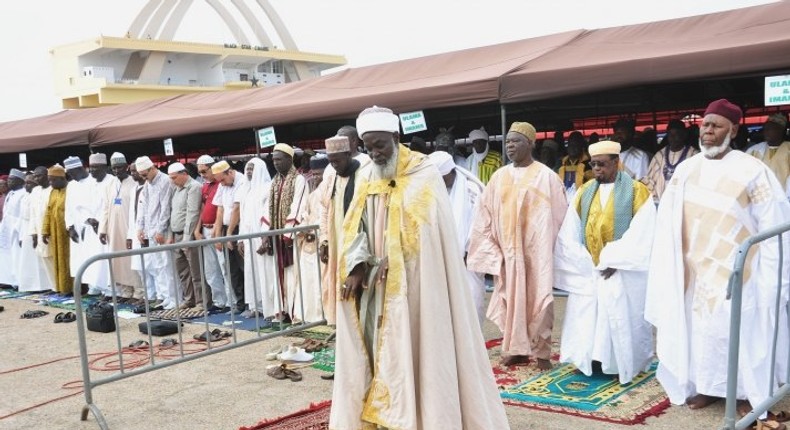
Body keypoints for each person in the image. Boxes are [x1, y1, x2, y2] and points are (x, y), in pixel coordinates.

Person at [330, 106, 509, 430]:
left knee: (421, 349)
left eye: (380, 144)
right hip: (376, 286)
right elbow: (355, 226)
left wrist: (396, 261)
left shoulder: (423, 173)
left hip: (418, 285)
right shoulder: (367, 175)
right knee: (376, 348)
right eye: (368, 146)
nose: (374, 153)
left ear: (396, 138)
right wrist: (357, 265)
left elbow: (427, 236)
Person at [645, 99, 790, 428]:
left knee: (740, 331)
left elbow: (774, 225)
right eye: (705, 125)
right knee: (703, 332)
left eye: (716, 126)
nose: (707, 131)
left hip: (743, 271)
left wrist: (774, 278)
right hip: (696, 271)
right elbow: (668, 219)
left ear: (734, 129)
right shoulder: (686, 170)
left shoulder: (753, 170)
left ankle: (744, 394)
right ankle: (708, 387)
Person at [554, 140, 656, 384]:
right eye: (593, 164)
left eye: (602, 164)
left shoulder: (636, 191)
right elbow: (570, 229)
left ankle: (621, 363)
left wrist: (615, 260)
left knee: (620, 317)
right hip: (589, 268)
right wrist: (583, 259)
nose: (597, 169)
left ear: (616, 163)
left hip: (621, 271)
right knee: (588, 316)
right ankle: (589, 360)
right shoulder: (585, 191)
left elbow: (644, 231)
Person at [467, 121, 568, 369]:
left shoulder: (547, 177)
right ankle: (516, 349)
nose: (510, 146)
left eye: (516, 141)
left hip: (537, 253)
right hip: (508, 253)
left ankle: (542, 354)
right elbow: (484, 215)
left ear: (530, 143)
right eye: (508, 142)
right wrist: (492, 249)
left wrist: (549, 247)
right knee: (510, 301)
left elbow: (560, 217)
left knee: (540, 299)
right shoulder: (499, 176)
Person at [428, 150, 487, 326]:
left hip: (469, 261)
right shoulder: (433, 190)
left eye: (442, 177)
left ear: (450, 172)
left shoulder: (471, 191)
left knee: (472, 304)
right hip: (441, 259)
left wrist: (466, 253)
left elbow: (480, 226)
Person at [319, 135, 367, 326]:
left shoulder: (364, 176)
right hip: (336, 242)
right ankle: (343, 325)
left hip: (356, 244)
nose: (334, 166)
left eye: (337, 161)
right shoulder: (331, 179)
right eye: (331, 162)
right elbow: (324, 210)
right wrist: (324, 240)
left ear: (348, 154)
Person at [258, 144, 308, 322]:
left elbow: (298, 206)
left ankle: (295, 311)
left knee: (293, 275)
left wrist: (288, 234)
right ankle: (281, 310)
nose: (276, 163)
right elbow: (268, 209)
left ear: (289, 159)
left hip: (290, 238)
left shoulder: (299, 180)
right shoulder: (275, 181)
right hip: (276, 237)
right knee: (276, 275)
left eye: (279, 159)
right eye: (273, 160)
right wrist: (266, 233)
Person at [135, 156, 177, 310]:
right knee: (159, 266)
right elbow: (143, 208)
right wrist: (141, 228)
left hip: (163, 231)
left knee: (168, 266)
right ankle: (166, 297)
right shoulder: (147, 184)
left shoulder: (165, 181)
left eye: (145, 174)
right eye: (142, 176)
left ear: (153, 168)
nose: (143, 178)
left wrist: (160, 229)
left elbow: (166, 207)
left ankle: (175, 298)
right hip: (151, 232)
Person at [98, 153, 141, 301]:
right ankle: (125, 292)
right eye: (114, 168)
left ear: (127, 166)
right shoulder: (109, 184)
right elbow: (105, 209)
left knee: (131, 260)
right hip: (113, 229)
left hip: (129, 229)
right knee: (117, 260)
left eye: (120, 167)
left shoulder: (134, 183)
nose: (117, 171)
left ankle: (138, 292)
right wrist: (102, 229)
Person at [293, 155, 327, 323]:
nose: (315, 178)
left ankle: (323, 315)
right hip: (308, 244)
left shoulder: (331, 193)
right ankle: (309, 316)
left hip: (324, 245)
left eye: (319, 174)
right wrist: (303, 230)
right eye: (313, 174)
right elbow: (306, 215)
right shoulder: (312, 195)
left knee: (322, 281)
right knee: (308, 281)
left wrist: (316, 233)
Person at [237, 157, 272, 318]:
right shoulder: (246, 189)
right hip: (249, 237)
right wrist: (241, 239)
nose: (249, 171)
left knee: (265, 272)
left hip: (262, 238)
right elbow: (243, 217)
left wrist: (265, 237)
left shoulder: (267, 188)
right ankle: (254, 306)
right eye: (247, 169)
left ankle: (268, 307)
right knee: (251, 273)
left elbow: (268, 215)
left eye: (252, 168)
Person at [193, 155, 229, 312]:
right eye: (199, 172)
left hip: (218, 230)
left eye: (204, 171)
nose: (202, 175)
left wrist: (217, 231)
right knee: (211, 269)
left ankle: (231, 302)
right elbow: (202, 208)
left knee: (224, 267)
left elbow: (222, 209)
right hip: (206, 229)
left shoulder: (221, 184)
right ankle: (219, 301)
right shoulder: (205, 185)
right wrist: (197, 229)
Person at [168, 162, 206, 310]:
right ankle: (189, 299)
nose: (172, 181)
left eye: (174, 177)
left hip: (188, 235)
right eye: (171, 178)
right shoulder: (176, 189)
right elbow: (174, 213)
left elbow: (192, 213)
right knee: (183, 270)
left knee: (195, 270)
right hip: (177, 234)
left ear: (184, 174)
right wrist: (171, 234)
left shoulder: (194, 187)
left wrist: (186, 238)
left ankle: (201, 301)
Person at [211, 159, 247, 313]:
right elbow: (220, 209)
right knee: (231, 269)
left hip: (239, 228)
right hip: (227, 229)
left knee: (243, 267)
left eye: (223, 180)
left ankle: (249, 303)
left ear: (230, 172)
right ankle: (239, 302)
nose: (222, 184)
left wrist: (231, 234)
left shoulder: (242, 181)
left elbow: (237, 209)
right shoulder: (222, 184)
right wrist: (219, 234)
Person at [642, 120, 699, 203]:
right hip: (662, 204)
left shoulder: (694, 155)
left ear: (684, 135)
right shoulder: (659, 155)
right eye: (670, 134)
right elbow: (650, 180)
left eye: (677, 134)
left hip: (685, 204)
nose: (673, 137)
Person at [41, 165, 73, 294]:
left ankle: (72, 288)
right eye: (49, 180)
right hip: (55, 232)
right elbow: (48, 212)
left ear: (61, 178)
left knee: (69, 260)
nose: (50, 183)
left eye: (53, 180)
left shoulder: (71, 190)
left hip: (68, 233)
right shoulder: (53, 192)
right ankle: (61, 288)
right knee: (58, 260)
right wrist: (45, 230)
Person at [747, 113, 789, 199]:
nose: (766, 132)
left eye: (771, 129)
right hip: (761, 199)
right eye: (765, 129)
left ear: (782, 131)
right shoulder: (753, 151)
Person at [28, 166, 56, 291]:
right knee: (44, 259)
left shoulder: (53, 190)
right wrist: (34, 233)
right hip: (39, 230)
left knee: (55, 258)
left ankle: (62, 287)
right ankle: (53, 287)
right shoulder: (35, 191)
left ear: (47, 175)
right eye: (35, 176)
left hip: (52, 230)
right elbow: (32, 214)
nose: (36, 178)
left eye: (39, 175)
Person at [126, 163, 150, 303]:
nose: (133, 174)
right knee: (138, 266)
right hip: (135, 232)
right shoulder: (133, 188)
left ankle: (150, 296)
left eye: (136, 171)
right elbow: (131, 214)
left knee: (148, 267)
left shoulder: (149, 186)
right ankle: (144, 295)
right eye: (132, 171)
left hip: (147, 233)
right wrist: (129, 236)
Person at [0, 169, 26, 288]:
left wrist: (19, 231)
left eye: (12, 180)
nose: (9, 182)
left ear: (20, 181)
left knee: (17, 255)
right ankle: (7, 279)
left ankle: (17, 282)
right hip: (6, 227)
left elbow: (22, 215)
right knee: (5, 255)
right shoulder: (10, 193)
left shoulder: (23, 194)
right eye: (9, 179)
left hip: (16, 228)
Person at [557, 131, 594, 201]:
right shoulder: (561, 164)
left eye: (576, 144)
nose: (573, 148)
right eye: (570, 144)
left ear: (582, 146)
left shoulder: (589, 164)